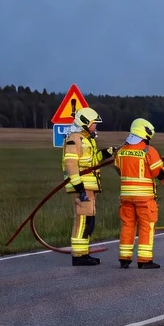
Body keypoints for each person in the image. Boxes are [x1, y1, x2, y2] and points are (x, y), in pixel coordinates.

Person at [114, 118, 164, 269]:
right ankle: (144, 260)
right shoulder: (149, 151)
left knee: (128, 225)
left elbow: (119, 170)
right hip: (144, 198)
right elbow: (158, 173)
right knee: (146, 226)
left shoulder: (121, 151)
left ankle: (124, 258)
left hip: (126, 197)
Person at [62, 107, 111, 266]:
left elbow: (92, 161)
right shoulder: (74, 139)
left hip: (88, 187)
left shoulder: (87, 139)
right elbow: (70, 163)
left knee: (89, 221)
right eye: (93, 123)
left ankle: (83, 253)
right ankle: (79, 256)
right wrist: (79, 187)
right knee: (83, 221)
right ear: (85, 123)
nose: (95, 126)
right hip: (82, 187)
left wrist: (106, 153)